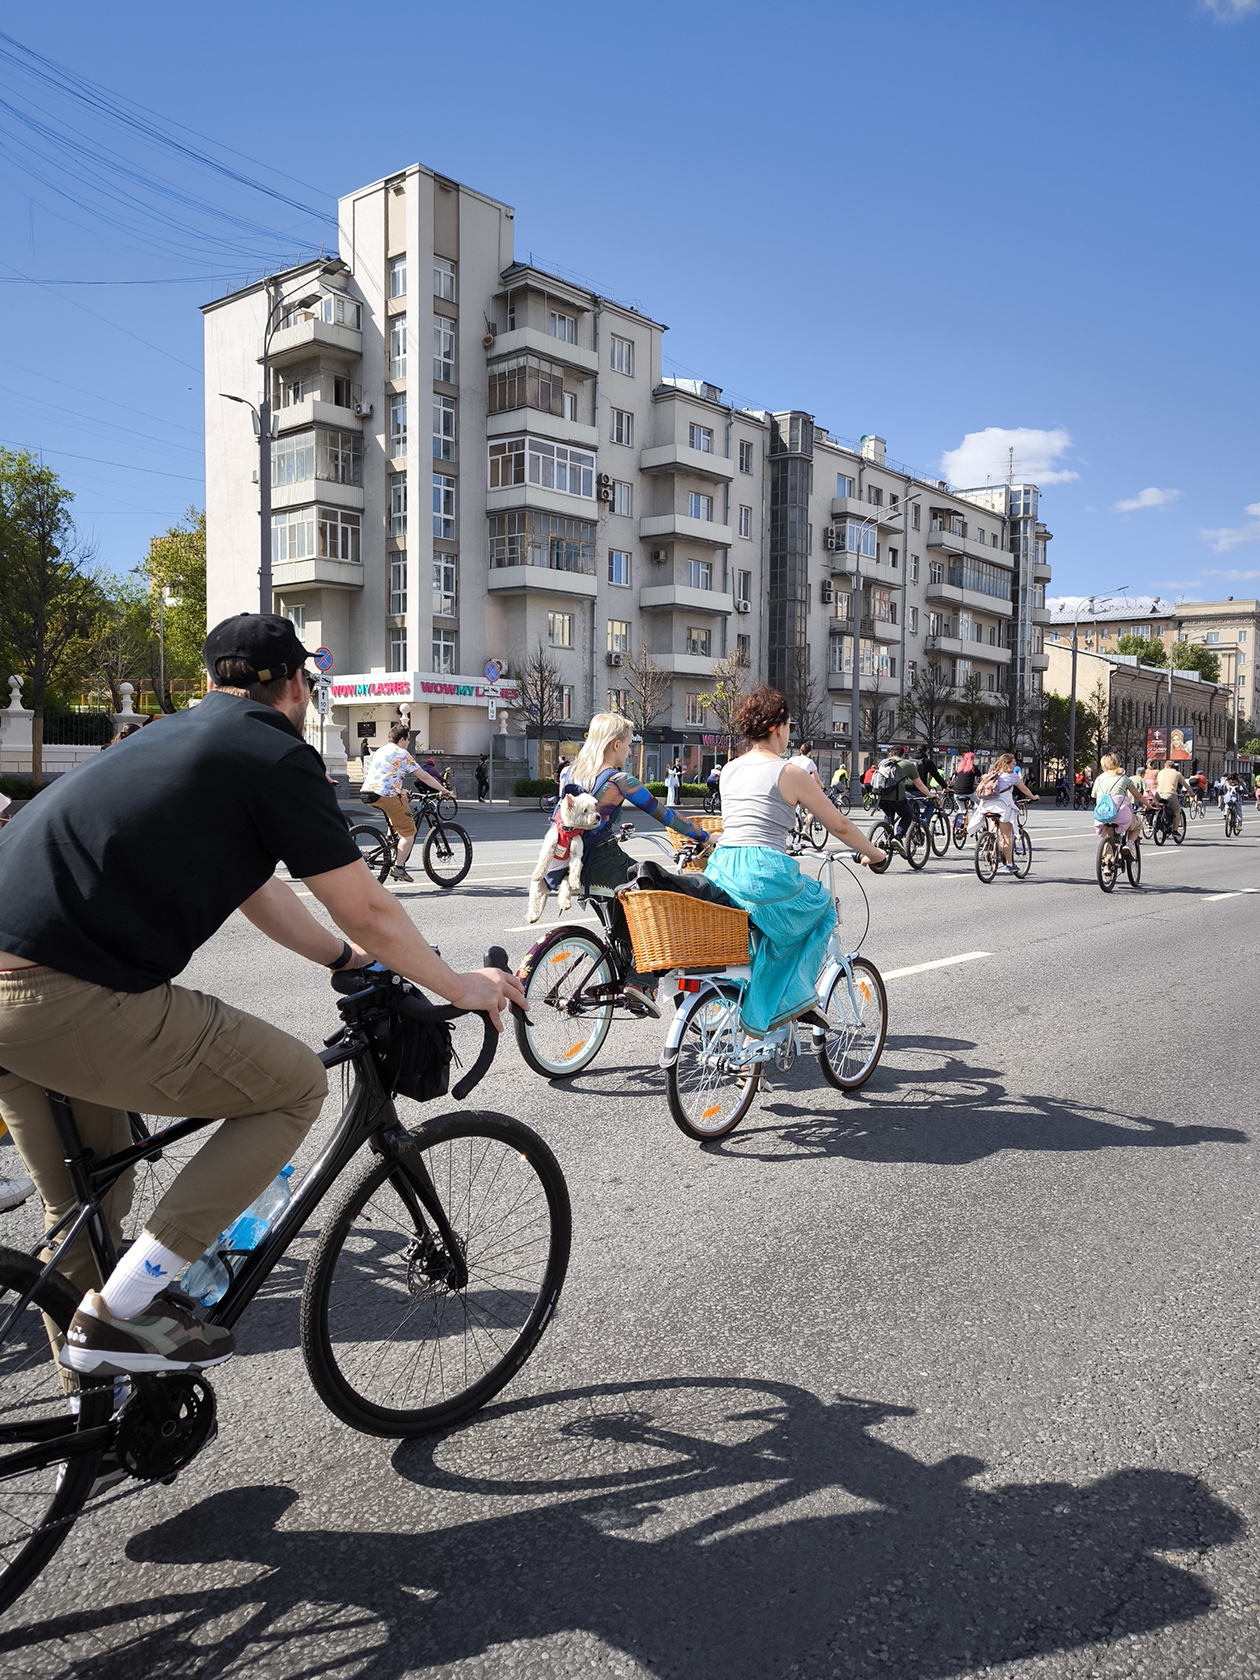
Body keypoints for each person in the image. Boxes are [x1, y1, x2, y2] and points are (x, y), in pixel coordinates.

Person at [0, 613, 524, 1379]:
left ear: (213, 680)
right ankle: (121, 1314)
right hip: (63, 991)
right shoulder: (271, 752)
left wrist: (346, 960)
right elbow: (367, 906)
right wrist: (459, 986)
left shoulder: (169, 738)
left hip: (16, 996)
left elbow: (259, 890)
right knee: (291, 1086)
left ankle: (95, 1426)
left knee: (92, 1209)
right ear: (295, 684)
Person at [705, 688, 885, 1037]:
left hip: (723, 867)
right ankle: (794, 999)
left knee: (773, 932)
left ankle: (762, 1017)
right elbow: (840, 825)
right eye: (788, 724)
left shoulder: (729, 769)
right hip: (763, 871)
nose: (789, 732)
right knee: (822, 909)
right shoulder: (789, 772)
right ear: (776, 728)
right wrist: (876, 853)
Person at [560, 714, 712, 1017]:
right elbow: (665, 815)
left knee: (625, 920)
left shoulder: (569, 774)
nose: (629, 751)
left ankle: (627, 972)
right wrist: (705, 836)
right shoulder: (620, 781)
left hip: (572, 864)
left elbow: (582, 818)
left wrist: (612, 826)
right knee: (656, 897)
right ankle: (640, 984)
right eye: (629, 745)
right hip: (605, 863)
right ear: (616, 744)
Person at [360, 723, 447, 883]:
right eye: (408, 740)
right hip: (385, 794)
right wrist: (444, 790)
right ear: (402, 739)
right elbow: (424, 777)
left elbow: (386, 774)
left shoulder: (381, 750)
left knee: (399, 807)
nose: (408, 743)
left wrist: (401, 790)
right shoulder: (402, 753)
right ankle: (399, 867)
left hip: (368, 792)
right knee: (408, 832)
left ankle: (390, 842)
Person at [967, 751, 1039, 871]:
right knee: (1006, 836)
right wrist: (1033, 797)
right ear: (1007, 764)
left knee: (993, 827)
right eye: (1013, 763)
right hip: (1002, 808)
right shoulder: (1013, 777)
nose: (1015, 766)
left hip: (985, 806)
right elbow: (1024, 789)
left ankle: (989, 842)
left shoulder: (991, 773)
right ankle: (1009, 864)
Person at [1090, 752, 1143, 858]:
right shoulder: (1124, 778)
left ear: (1104, 766)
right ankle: (1129, 845)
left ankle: (1106, 864)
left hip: (1103, 816)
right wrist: (1150, 806)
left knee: (1109, 833)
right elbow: (1138, 796)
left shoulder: (1099, 779)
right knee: (1138, 824)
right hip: (1121, 816)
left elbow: (1094, 795)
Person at [871, 747, 932, 839]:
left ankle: (886, 839)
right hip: (897, 798)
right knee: (907, 815)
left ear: (890, 754)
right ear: (902, 754)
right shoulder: (907, 764)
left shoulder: (882, 763)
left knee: (888, 814)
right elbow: (919, 785)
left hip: (880, 797)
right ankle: (898, 838)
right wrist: (930, 795)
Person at [1155, 760, 1188, 828]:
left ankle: (1157, 822)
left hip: (1158, 794)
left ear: (1165, 766)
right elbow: (1185, 785)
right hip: (1170, 794)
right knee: (1177, 812)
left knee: (1159, 808)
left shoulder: (1160, 772)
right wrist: (1192, 793)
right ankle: (1175, 830)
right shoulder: (1177, 773)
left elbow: (1156, 783)